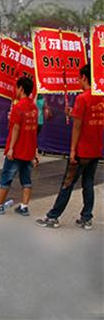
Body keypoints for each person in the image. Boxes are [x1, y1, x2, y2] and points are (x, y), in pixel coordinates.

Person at [36, 65, 104, 230]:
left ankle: (53, 217)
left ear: (84, 77)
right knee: (88, 183)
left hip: (82, 150)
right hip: (95, 150)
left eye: (79, 78)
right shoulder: (101, 97)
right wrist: (73, 113)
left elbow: (78, 127)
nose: (77, 81)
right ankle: (86, 218)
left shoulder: (82, 98)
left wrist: (73, 150)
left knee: (67, 183)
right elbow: (85, 118)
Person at [0, 77, 39, 216]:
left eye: (16, 87)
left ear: (21, 88)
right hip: (28, 151)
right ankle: (24, 207)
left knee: (6, 178)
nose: (15, 90)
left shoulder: (19, 106)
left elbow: (16, 128)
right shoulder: (34, 107)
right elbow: (33, 130)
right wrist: (35, 152)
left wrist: (11, 148)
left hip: (17, 151)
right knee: (26, 180)